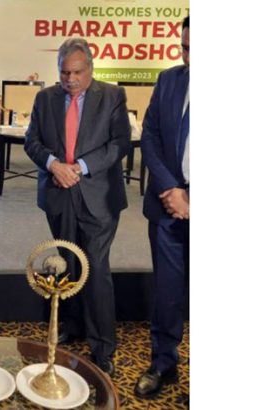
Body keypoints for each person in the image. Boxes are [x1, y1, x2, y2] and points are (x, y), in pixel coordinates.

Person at [24, 38, 131, 376]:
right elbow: (32, 141)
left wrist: (79, 168)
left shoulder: (112, 97)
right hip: (58, 194)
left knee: (96, 268)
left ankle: (103, 345)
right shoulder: (45, 98)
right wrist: (54, 164)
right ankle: (71, 324)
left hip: (98, 196)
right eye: (63, 72)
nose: (69, 79)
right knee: (66, 261)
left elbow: (119, 144)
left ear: (90, 69)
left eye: (76, 72)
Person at [134, 15, 190, 399]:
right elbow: (150, 135)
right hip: (168, 206)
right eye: (186, 48)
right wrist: (171, 188)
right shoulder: (170, 79)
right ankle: (163, 363)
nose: (191, 57)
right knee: (167, 291)